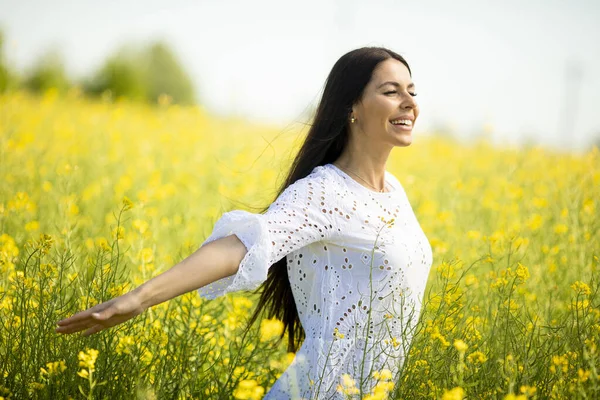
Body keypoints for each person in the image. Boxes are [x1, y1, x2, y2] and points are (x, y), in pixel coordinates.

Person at [56, 46, 433, 399]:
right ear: (353, 105)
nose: (409, 103)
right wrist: (141, 297)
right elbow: (243, 246)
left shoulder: (394, 192)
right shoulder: (325, 191)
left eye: (412, 91)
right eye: (391, 91)